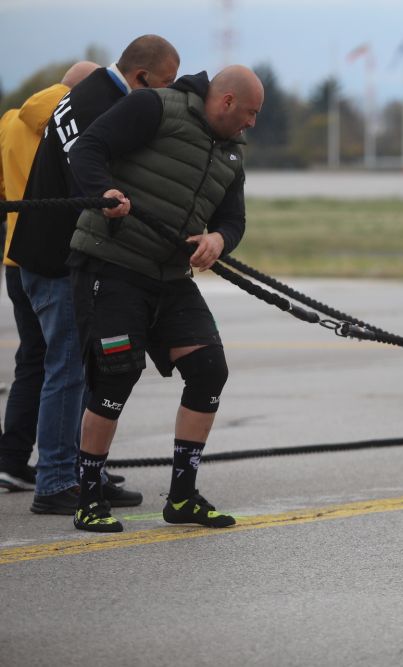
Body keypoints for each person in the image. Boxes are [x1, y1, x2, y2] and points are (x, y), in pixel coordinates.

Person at [64, 64, 264, 532]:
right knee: (115, 375)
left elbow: (233, 219)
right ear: (228, 102)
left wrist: (219, 240)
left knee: (209, 369)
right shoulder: (153, 106)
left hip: (169, 278)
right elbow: (87, 148)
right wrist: (102, 191)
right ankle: (89, 497)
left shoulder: (233, 153)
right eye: (251, 113)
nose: (252, 124)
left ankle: (182, 497)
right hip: (111, 264)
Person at [8, 36, 179, 514]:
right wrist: (112, 200)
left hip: (44, 254)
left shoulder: (86, 95)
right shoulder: (102, 105)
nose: (162, 98)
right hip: (54, 260)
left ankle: (88, 472)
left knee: (82, 368)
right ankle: (58, 480)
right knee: (67, 370)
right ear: (142, 78)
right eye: (162, 87)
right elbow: (85, 163)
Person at [0, 62, 99, 493]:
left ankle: (11, 459)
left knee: (33, 361)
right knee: (70, 365)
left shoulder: (9, 122)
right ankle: (68, 466)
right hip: (58, 257)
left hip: (15, 260)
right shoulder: (78, 125)